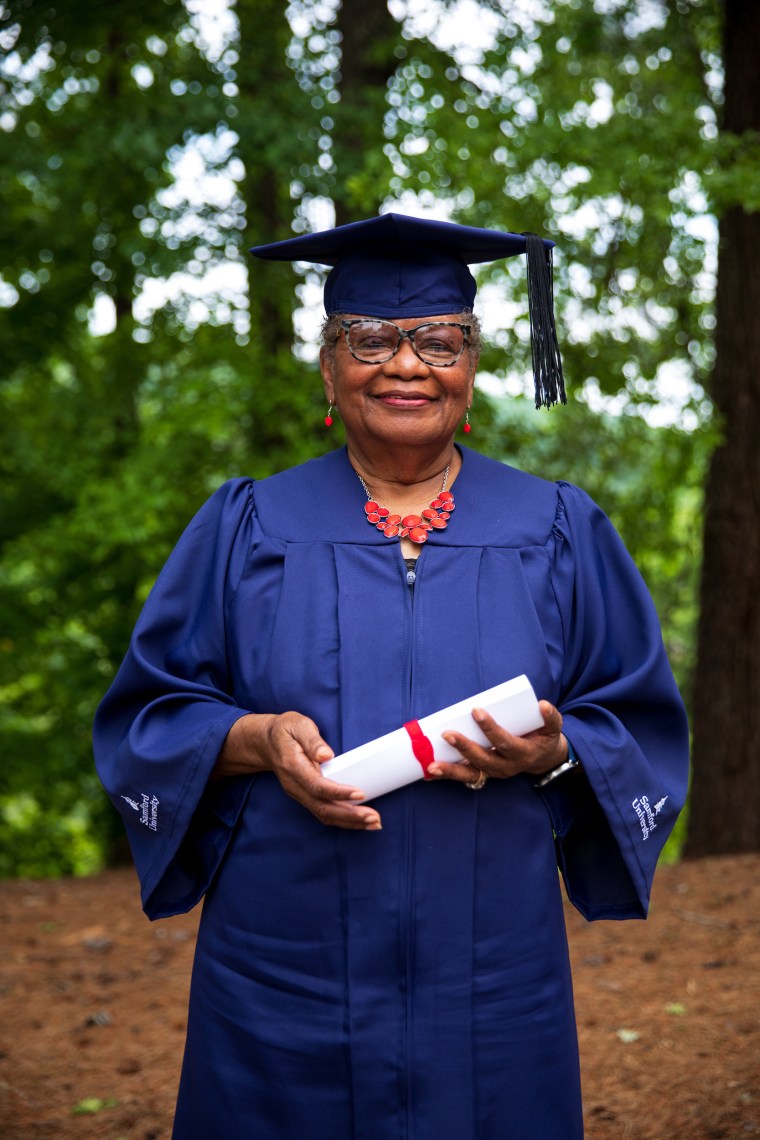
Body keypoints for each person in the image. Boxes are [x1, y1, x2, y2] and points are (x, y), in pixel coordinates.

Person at [93, 212, 689, 1139]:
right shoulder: (247, 526)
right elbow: (149, 715)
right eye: (370, 339)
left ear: (473, 365)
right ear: (328, 367)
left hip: (495, 978)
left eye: (438, 341)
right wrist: (253, 740)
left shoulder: (560, 529)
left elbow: (638, 720)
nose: (406, 365)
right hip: (281, 976)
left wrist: (556, 747)